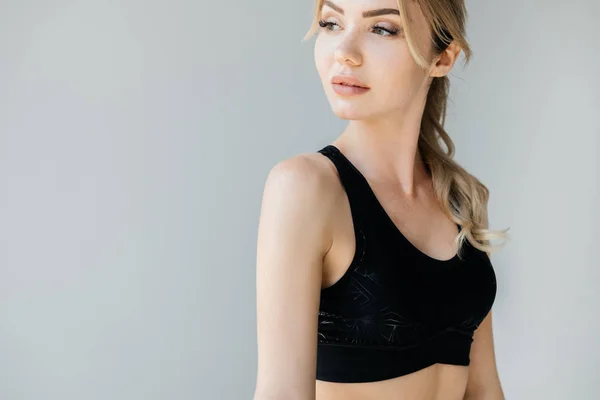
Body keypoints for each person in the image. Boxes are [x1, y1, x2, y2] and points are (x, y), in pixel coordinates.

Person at [253, 0, 510, 399]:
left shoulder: (459, 198)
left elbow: (484, 389)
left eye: (383, 29)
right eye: (331, 23)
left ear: (442, 57)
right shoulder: (307, 188)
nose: (344, 53)